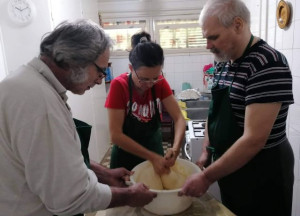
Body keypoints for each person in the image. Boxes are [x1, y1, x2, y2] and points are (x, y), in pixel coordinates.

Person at [0, 19, 157, 216]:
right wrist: (128, 196)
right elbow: (71, 197)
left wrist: (102, 173)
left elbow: (56, 158)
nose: (101, 80)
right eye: (100, 71)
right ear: (76, 60)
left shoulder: (28, 83)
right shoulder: (40, 103)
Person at [179, 0, 294, 215]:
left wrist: (206, 177)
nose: (208, 46)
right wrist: (206, 149)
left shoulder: (268, 63)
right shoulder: (223, 62)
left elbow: (254, 140)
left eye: (213, 37)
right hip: (232, 168)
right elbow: (214, 112)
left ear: (238, 25)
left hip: (263, 173)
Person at [105, 31, 186, 174]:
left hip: (153, 147)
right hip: (125, 157)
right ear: (131, 69)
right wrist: (151, 157)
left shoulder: (160, 83)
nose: (150, 83)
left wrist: (175, 148)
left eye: (155, 77)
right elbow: (115, 135)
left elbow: (179, 118)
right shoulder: (119, 85)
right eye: (143, 78)